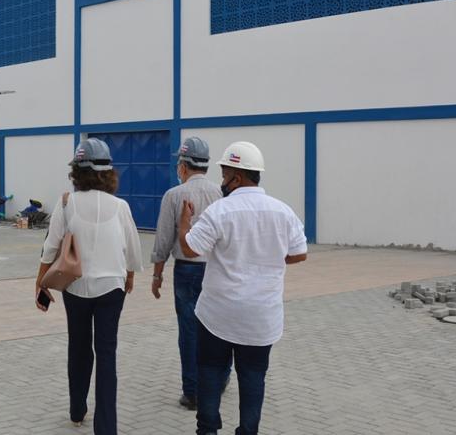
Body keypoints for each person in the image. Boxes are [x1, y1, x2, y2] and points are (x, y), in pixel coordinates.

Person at [178, 141, 308, 435]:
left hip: (217, 316)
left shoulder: (220, 212)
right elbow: (300, 253)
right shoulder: (282, 211)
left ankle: (208, 430)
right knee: (253, 379)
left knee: (209, 375)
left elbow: (189, 249)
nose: (222, 181)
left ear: (236, 177)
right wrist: (272, 259)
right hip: (261, 318)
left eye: (224, 175)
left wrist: (184, 223)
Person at [34, 138, 143, 435]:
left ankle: (77, 411)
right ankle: (106, 427)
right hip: (112, 289)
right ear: (107, 172)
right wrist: (129, 275)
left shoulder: (67, 202)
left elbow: (51, 245)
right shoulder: (121, 206)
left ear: (77, 172)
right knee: (107, 354)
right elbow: (133, 250)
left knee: (79, 348)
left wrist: (40, 280)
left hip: (75, 288)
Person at [150, 137, 223, 411]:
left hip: (187, 272)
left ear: (183, 165)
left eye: (178, 164)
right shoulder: (221, 193)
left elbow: (163, 240)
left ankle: (192, 392)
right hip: (216, 269)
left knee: (189, 331)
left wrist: (157, 275)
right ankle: (220, 380)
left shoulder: (174, 195)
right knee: (219, 327)